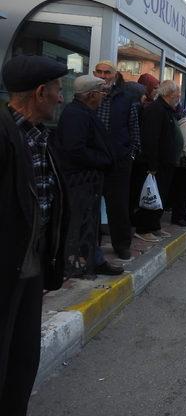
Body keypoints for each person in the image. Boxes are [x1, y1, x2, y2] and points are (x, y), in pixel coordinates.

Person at [0, 54, 69, 415]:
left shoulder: (39, 137)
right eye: (58, 90)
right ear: (41, 92)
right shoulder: (4, 134)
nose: (61, 97)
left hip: (30, 271)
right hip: (5, 274)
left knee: (23, 361)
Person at [56, 75, 122, 276]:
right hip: (79, 181)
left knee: (89, 223)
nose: (103, 96)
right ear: (92, 95)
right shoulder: (76, 114)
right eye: (101, 92)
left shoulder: (83, 111)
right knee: (81, 224)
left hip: (88, 181)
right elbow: (75, 150)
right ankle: (80, 264)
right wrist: (103, 159)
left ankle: (93, 259)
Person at [93, 61, 140, 260]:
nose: (103, 76)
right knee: (90, 203)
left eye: (107, 73)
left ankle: (121, 245)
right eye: (99, 72)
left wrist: (130, 155)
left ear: (115, 75)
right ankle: (90, 245)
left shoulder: (126, 98)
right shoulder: (87, 95)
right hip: (92, 160)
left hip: (118, 161)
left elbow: (134, 129)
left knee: (118, 205)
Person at [132, 80, 182, 241]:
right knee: (151, 196)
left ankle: (154, 226)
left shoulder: (167, 110)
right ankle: (144, 228)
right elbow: (150, 139)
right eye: (177, 94)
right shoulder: (156, 110)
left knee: (161, 196)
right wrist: (152, 164)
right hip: (156, 164)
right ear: (168, 94)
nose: (179, 97)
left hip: (166, 163)